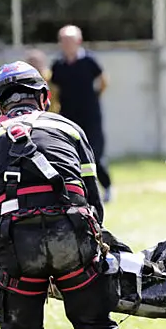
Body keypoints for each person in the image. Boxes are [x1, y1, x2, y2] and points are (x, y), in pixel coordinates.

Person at [0, 61, 144, 329]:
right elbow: (93, 201)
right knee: (97, 327)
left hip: (18, 250)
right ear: (44, 97)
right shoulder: (69, 129)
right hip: (73, 241)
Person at [50, 25, 113, 202]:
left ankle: (107, 187)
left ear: (78, 41)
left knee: (95, 154)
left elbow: (103, 81)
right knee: (71, 154)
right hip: (68, 116)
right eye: (63, 40)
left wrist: (95, 97)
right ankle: (79, 193)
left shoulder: (89, 61)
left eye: (70, 40)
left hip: (90, 115)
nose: (66, 44)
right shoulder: (58, 65)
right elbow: (53, 89)